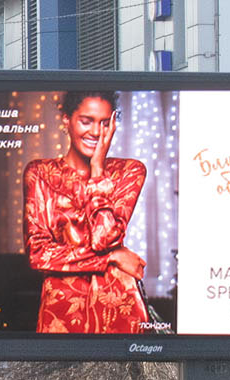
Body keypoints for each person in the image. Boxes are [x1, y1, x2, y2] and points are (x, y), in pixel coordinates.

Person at [24, 90, 149, 334]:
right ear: (66, 120)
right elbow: (38, 254)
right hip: (62, 310)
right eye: (86, 121)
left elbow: (103, 239)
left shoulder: (129, 171)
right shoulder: (40, 173)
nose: (95, 132)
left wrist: (97, 170)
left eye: (104, 123)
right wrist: (112, 257)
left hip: (120, 307)